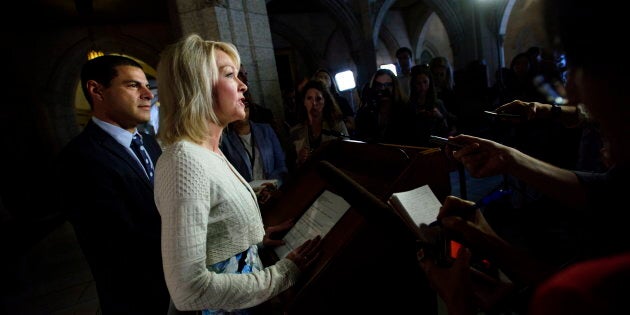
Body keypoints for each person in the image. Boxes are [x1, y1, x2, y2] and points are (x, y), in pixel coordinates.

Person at [417, 0, 630, 313]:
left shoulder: (583, 294)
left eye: (582, 64)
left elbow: (572, 294)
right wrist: (490, 238)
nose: (571, 93)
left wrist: (458, 301)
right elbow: (609, 193)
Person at [154, 33, 322, 314]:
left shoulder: (209, 151)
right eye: (230, 75)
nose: (244, 86)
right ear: (199, 87)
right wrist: (281, 274)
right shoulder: (184, 161)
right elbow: (188, 289)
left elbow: (213, 239)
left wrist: (253, 240)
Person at [54, 55, 170, 314]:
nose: (147, 95)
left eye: (145, 86)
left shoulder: (148, 142)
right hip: (138, 297)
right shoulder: (79, 159)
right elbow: (118, 244)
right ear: (97, 90)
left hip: (172, 284)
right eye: (132, 85)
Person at [220, 102, 289, 205]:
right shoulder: (225, 142)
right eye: (236, 106)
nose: (243, 108)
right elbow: (228, 180)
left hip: (274, 194)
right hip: (248, 201)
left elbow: (281, 165)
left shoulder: (266, 130)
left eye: (245, 105)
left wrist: (271, 187)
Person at [289, 79, 348, 168]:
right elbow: (290, 166)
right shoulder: (295, 132)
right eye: (309, 98)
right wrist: (299, 160)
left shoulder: (337, 126)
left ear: (325, 101)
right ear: (304, 102)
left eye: (318, 99)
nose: (314, 103)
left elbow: (348, 154)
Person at [311, 68, 356, 136]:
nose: (322, 80)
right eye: (320, 77)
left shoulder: (341, 101)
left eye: (326, 78)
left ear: (331, 82)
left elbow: (352, 124)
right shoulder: (311, 101)